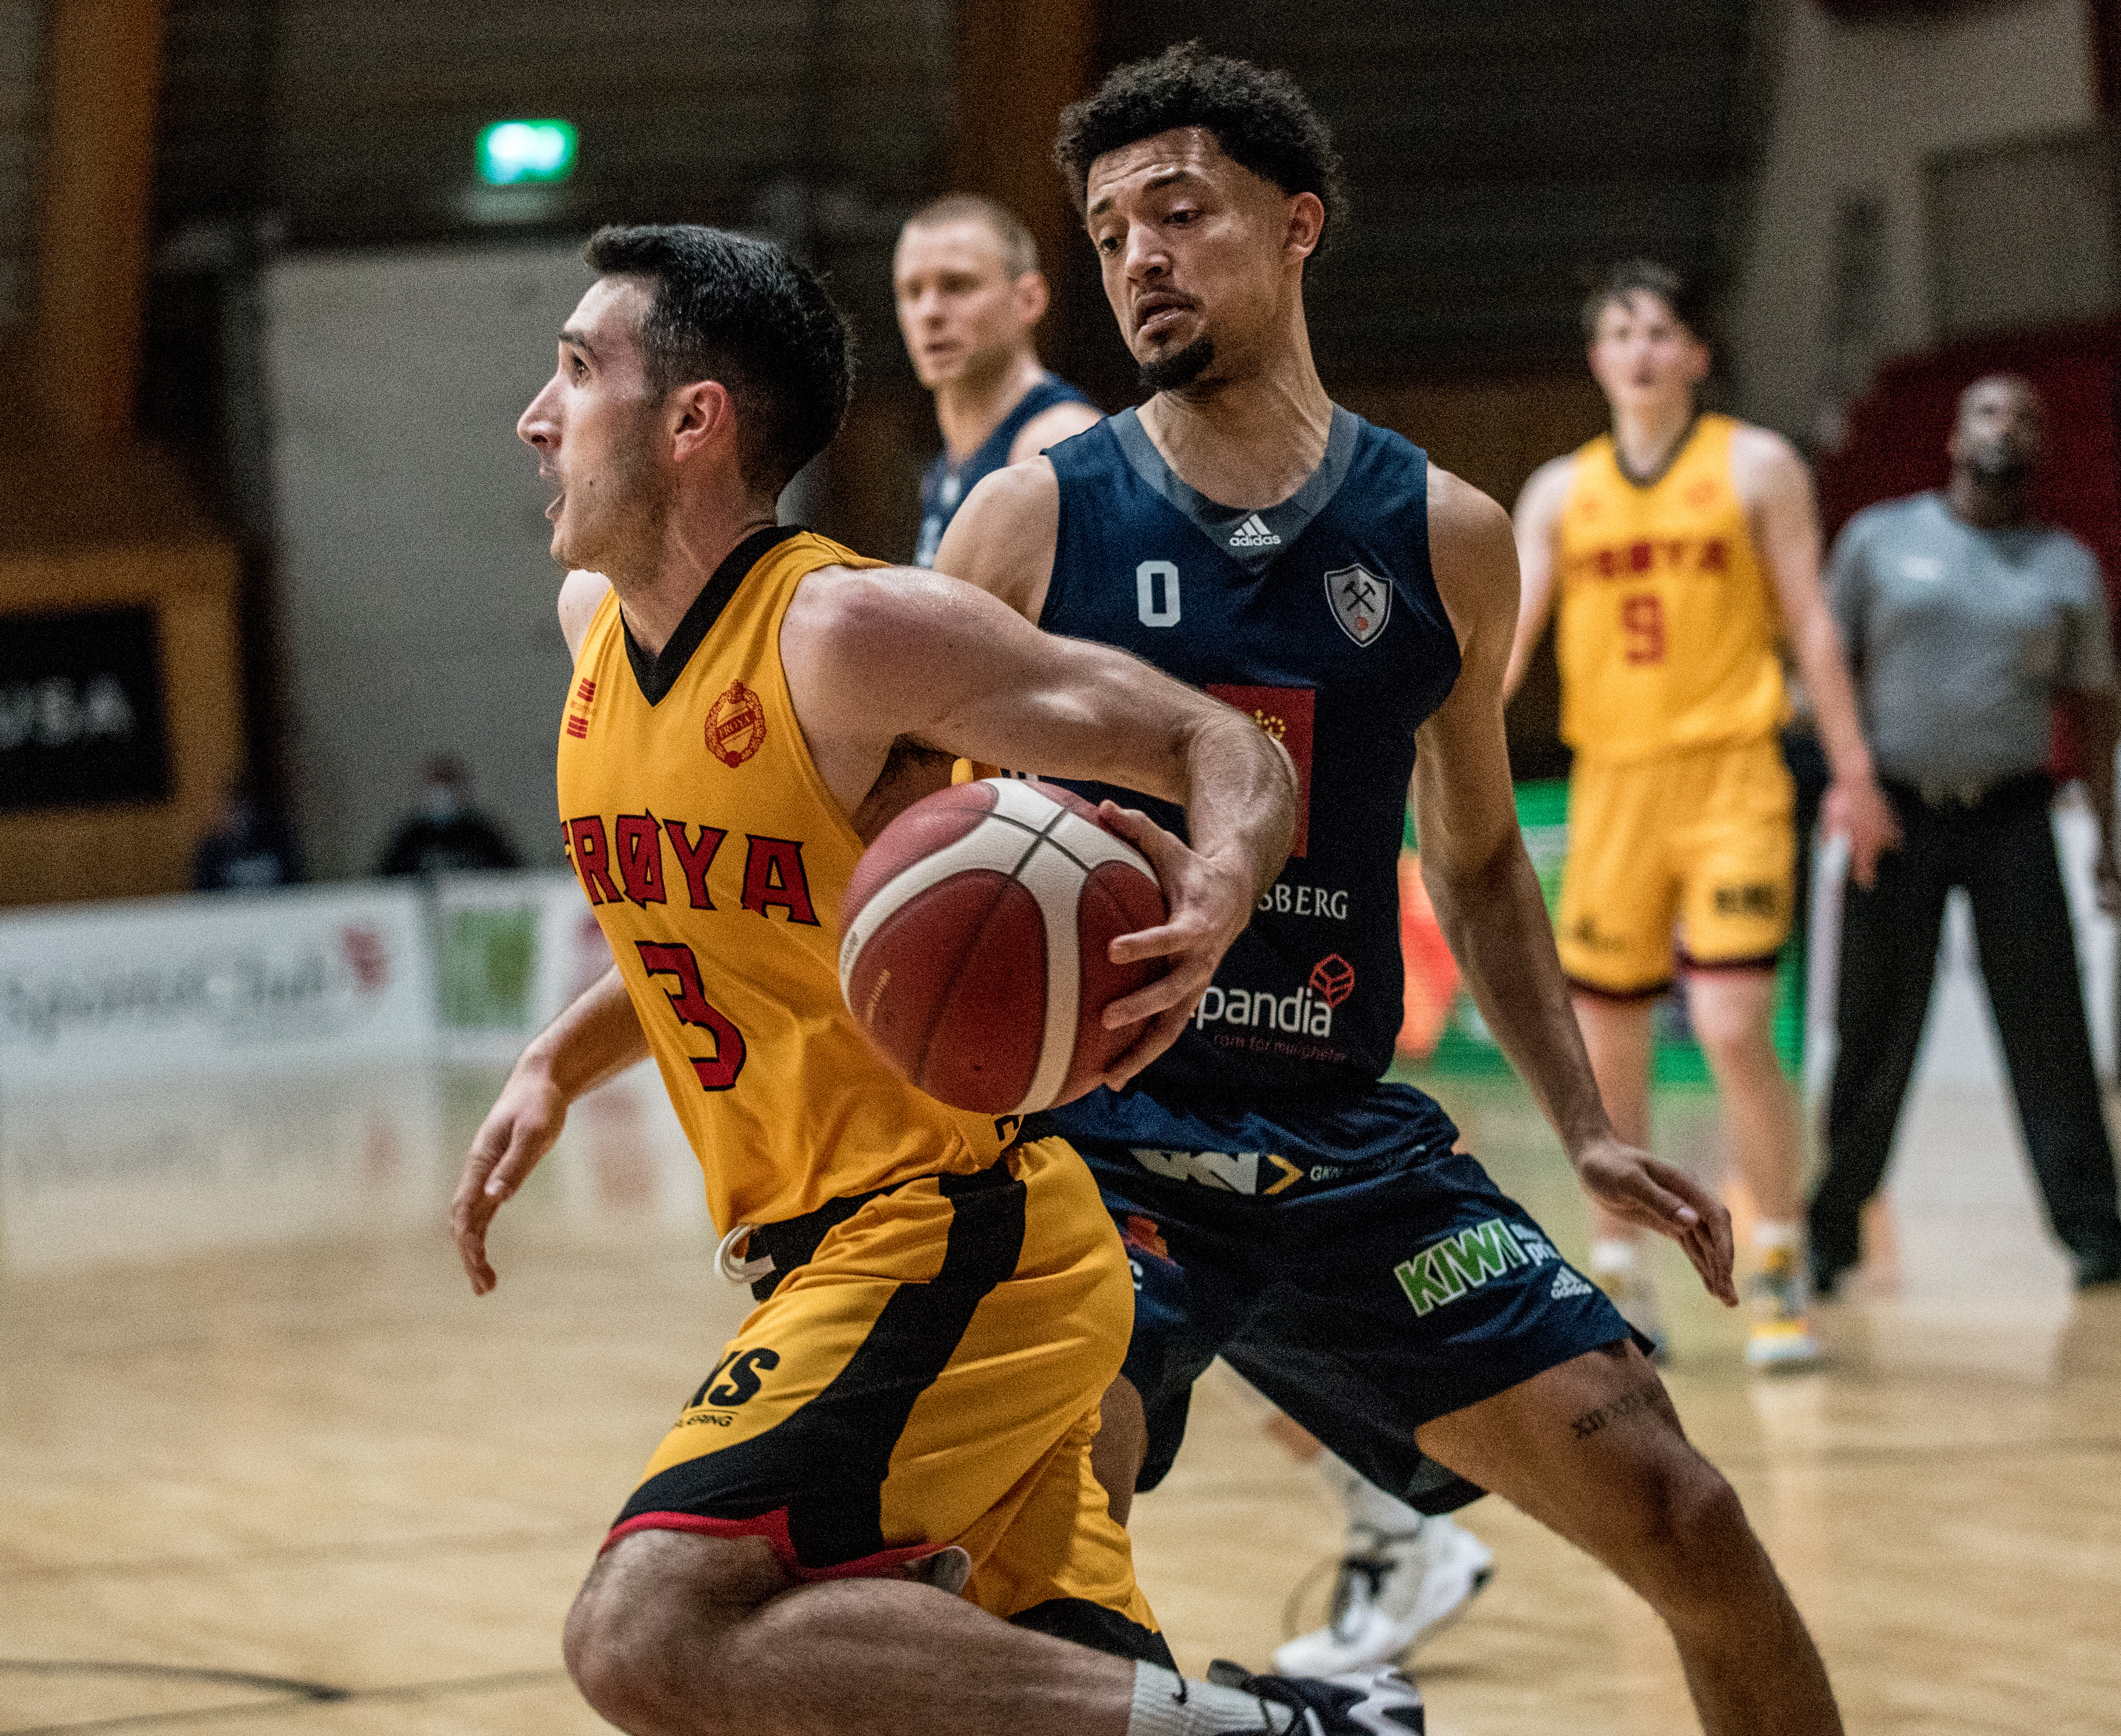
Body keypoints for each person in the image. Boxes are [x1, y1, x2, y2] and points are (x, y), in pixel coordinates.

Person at [937, 47, 1842, 1735]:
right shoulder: (1025, 525)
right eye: (1109, 223)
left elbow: (1480, 853)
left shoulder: (1447, 534)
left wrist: (1580, 1123)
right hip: (1105, 1150)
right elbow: (881, 820)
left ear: (1296, 230)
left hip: (1340, 1150)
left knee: (1691, 1514)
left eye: (1180, 211)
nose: (1139, 252)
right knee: (1043, 1525)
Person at [450, 221, 1428, 1736]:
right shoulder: (597, 636)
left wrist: (1217, 892)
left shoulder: (843, 633)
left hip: (952, 1234)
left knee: (644, 1631)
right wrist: (555, 1064)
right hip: (846, 1252)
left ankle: (1300, 1725)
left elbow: (1213, 743)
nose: (533, 411)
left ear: (694, 420)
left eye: (578, 369)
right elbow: (718, 933)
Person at [1509, 260, 1896, 1368]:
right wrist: (1447, 746)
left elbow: (1812, 626)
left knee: (1731, 1028)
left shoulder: (1756, 465)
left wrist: (1856, 770)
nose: (1637, 350)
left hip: (1732, 774)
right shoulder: (1557, 491)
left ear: (1693, 355)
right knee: (1609, 1050)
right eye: (1618, 333)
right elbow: (1514, 640)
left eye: (1657, 332)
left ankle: (1776, 1252)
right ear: (1597, 359)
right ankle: (1621, 1272)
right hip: (1614, 782)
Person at [1814, 373, 2121, 1293]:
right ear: (1953, 437)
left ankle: (2095, 1231)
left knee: (2049, 1031)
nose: (2006, 429)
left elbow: (2097, 711)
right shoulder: (1879, 539)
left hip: (2012, 813)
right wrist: (1845, 783)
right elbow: (1825, 673)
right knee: (1870, 1028)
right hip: (1896, 810)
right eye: (1988, 412)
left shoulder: (2065, 566)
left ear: (2040, 445)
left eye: (2025, 417)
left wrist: (2107, 834)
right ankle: (1832, 1230)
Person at [894, 194, 1103, 565]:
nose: (929, 312)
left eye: (957, 285)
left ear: (1029, 299)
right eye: (911, 292)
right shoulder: (944, 469)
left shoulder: (1056, 447)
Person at [376, 754, 519, 876]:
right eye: (437, 783)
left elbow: (511, 876)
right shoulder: (410, 836)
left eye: (449, 783)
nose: (443, 792)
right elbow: (387, 881)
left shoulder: (481, 834)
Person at [192, 777, 304, 891]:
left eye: (246, 808)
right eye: (233, 810)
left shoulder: (278, 841)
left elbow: (295, 887)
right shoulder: (212, 851)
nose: (241, 816)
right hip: (230, 909)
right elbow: (205, 897)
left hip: (275, 908)